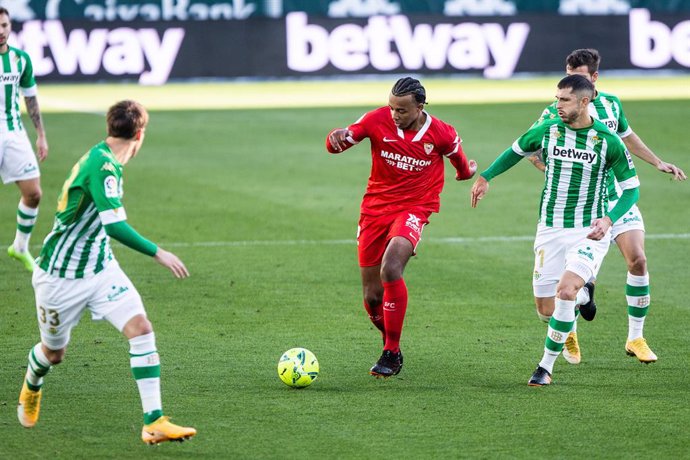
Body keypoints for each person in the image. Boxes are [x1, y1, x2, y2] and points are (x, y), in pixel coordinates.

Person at [17, 100, 197, 444]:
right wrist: (159, 253)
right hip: (60, 277)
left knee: (141, 329)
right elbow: (114, 226)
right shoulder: (103, 166)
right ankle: (32, 382)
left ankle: (153, 421)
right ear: (140, 134)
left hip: (100, 268)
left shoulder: (105, 159)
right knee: (54, 354)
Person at [470, 75, 640, 386]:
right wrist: (486, 176)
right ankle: (581, 297)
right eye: (557, 98)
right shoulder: (548, 129)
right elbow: (516, 150)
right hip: (549, 228)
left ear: (584, 102)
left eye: (564, 100)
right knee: (546, 308)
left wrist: (609, 220)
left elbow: (631, 190)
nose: (557, 104)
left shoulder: (606, 140)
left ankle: (545, 367)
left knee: (565, 290)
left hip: (587, 230)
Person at [526, 49, 686, 365]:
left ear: (594, 78)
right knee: (562, 291)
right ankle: (571, 314)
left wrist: (657, 162)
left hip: (618, 197)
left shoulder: (611, 104)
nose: (571, 81)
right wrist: (565, 173)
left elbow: (626, 137)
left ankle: (635, 338)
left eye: (580, 76)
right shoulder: (554, 112)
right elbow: (532, 150)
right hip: (584, 204)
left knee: (638, 259)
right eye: (568, 72)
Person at [326, 77, 477, 377]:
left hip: (414, 208)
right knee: (372, 296)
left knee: (391, 268)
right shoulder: (376, 119)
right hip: (374, 210)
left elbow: (459, 163)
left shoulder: (441, 133)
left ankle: (391, 352)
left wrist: (466, 171)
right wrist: (335, 137)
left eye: (402, 110)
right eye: (392, 108)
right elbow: (340, 142)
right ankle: (389, 341)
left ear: (420, 107)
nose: (395, 114)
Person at [0, 7, 49, 272]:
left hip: (14, 132)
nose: (0, 31)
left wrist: (41, 135)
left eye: (4, 25)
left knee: (33, 193)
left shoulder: (20, 60)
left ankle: (20, 246)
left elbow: (30, 97)